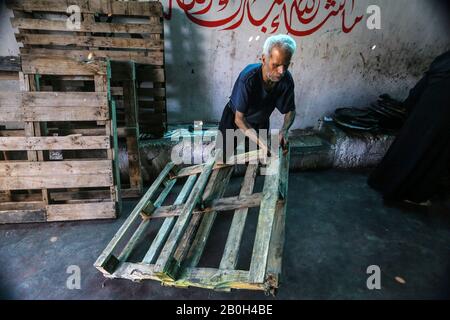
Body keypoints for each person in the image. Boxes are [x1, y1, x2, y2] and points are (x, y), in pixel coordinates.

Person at [216, 34, 297, 163]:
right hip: (234, 120)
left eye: (286, 65)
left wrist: (284, 131)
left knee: (257, 162)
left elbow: (290, 111)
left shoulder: (286, 80)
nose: (281, 71)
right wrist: (262, 143)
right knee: (222, 158)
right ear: (264, 59)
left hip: (260, 122)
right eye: (276, 65)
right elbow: (239, 119)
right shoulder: (248, 79)